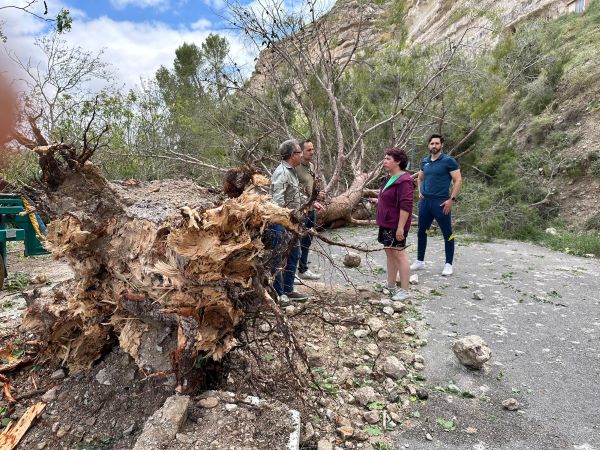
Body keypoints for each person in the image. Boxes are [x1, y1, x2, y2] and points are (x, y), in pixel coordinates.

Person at [410, 134, 462, 276]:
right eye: (432, 143)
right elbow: (420, 178)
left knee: (447, 233)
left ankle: (448, 264)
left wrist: (452, 199)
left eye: (437, 143)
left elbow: (458, 180)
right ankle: (420, 261)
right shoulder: (424, 161)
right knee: (422, 231)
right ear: (429, 145)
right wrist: (420, 192)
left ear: (442, 145)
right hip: (425, 202)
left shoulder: (448, 161)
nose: (434, 146)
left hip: (441, 202)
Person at [370, 147, 414, 301]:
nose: (385, 161)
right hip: (386, 222)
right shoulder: (389, 178)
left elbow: (406, 206)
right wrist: (378, 201)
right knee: (389, 252)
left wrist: (401, 227)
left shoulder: (405, 181)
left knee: (399, 254)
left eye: (388, 159)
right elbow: (388, 198)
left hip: (397, 224)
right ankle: (390, 285)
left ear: (398, 162)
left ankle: (405, 290)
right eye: (385, 158)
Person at [267, 139, 308, 302]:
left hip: (291, 222)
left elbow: (292, 195)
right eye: (299, 152)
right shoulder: (282, 172)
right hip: (280, 222)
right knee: (278, 256)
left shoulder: (291, 171)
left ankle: (288, 289)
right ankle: (279, 294)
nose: (302, 155)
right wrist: (286, 221)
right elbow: (277, 201)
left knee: (294, 253)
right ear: (292, 155)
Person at [295, 139, 324, 281]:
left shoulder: (311, 166)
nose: (312, 152)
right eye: (309, 150)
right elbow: (293, 191)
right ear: (300, 152)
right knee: (295, 242)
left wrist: (317, 198)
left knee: (307, 239)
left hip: (311, 210)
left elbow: (310, 188)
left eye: (313, 149)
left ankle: (303, 270)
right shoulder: (295, 167)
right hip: (298, 211)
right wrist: (307, 202)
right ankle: (291, 273)